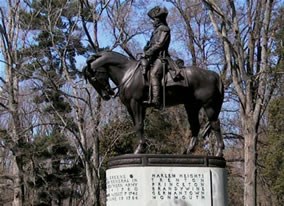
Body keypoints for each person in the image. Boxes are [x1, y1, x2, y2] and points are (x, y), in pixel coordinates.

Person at [141, 6, 171, 108]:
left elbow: (159, 44)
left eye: (155, 19)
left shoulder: (164, 29)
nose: (153, 21)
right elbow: (152, 44)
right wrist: (146, 48)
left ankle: (156, 100)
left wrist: (148, 52)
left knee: (154, 74)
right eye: (154, 19)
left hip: (161, 58)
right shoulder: (156, 31)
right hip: (153, 58)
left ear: (160, 19)